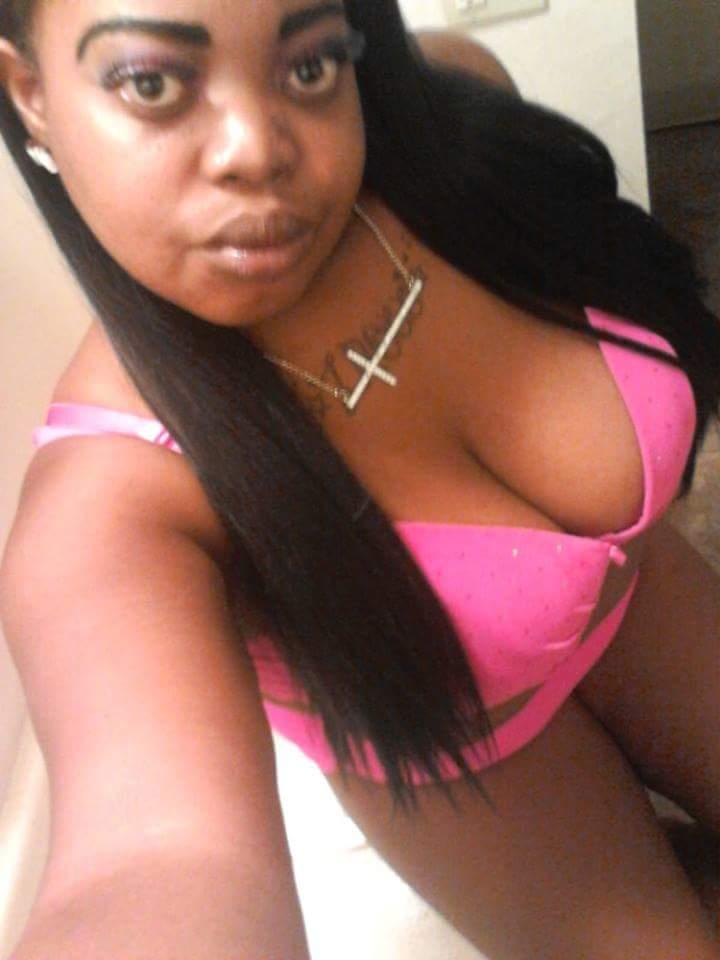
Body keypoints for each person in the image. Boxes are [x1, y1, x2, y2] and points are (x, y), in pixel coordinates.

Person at [0, 1, 718, 957]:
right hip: (468, 765)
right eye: (154, 82)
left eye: (308, 65)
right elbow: (152, 863)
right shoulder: (113, 502)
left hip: (641, 597)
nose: (257, 149)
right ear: (30, 93)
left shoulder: (453, 113)